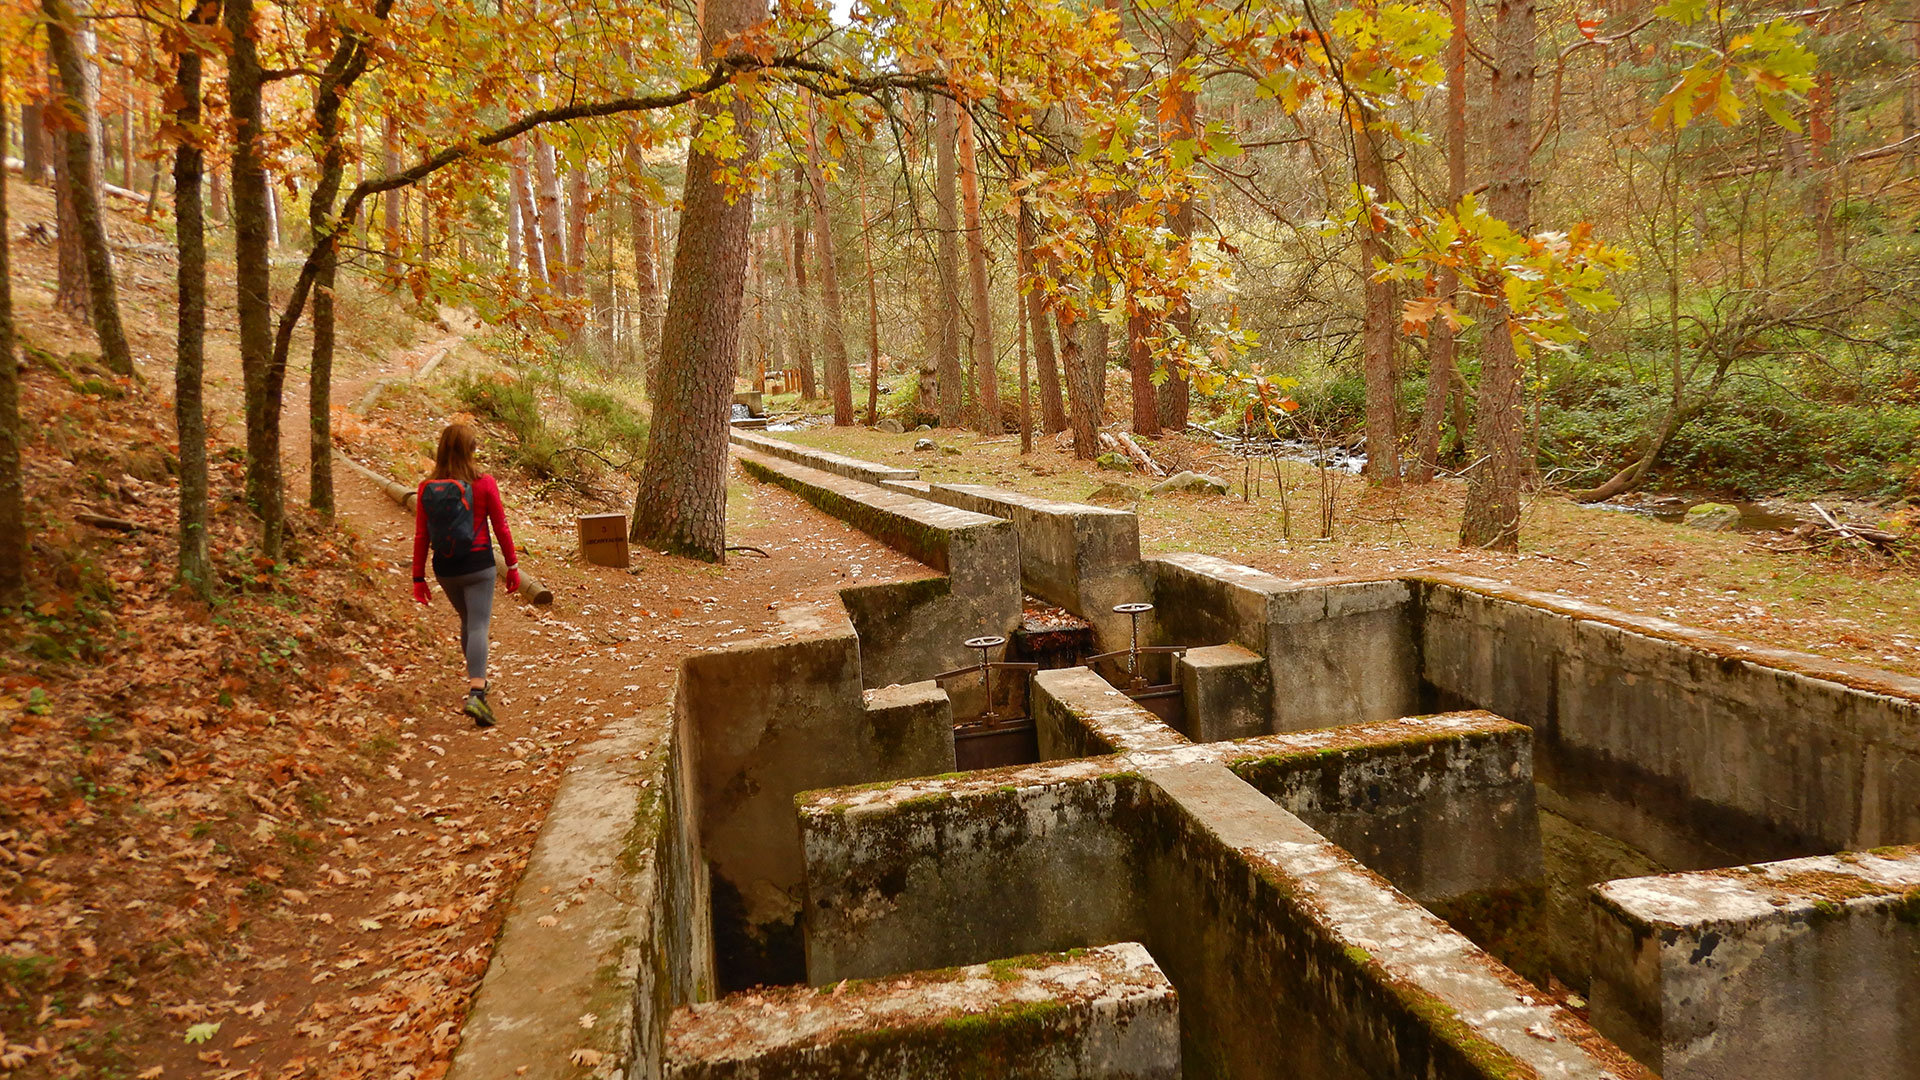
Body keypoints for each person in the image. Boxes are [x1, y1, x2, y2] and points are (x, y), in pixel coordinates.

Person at [411, 422, 520, 727]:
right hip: (478, 565)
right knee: (478, 626)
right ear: (470, 449)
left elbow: (422, 536)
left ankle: (477, 680)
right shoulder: (483, 483)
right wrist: (512, 566)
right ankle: (477, 692)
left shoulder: (425, 488)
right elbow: (501, 526)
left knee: (467, 621)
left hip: (445, 568)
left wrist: (418, 577)